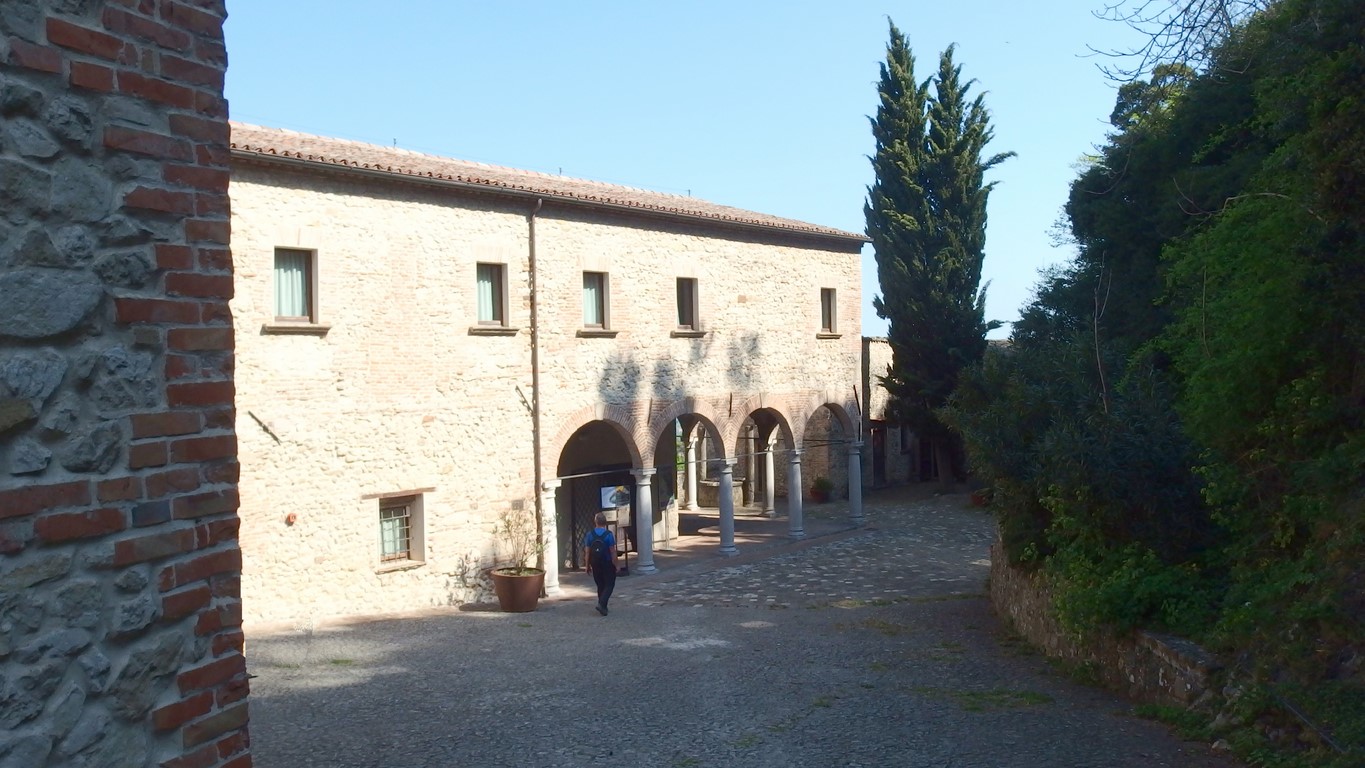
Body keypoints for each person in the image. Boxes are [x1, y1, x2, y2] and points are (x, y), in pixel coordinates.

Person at [582, 512, 617, 616]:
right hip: (607, 562)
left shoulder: (590, 534)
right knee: (610, 584)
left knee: (600, 584)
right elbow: (612, 551)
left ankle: (603, 607)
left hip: (595, 562)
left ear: (595, 522)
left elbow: (587, 552)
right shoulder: (609, 534)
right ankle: (602, 603)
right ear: (605, 522)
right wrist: (616, 564)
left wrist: (587, 565)